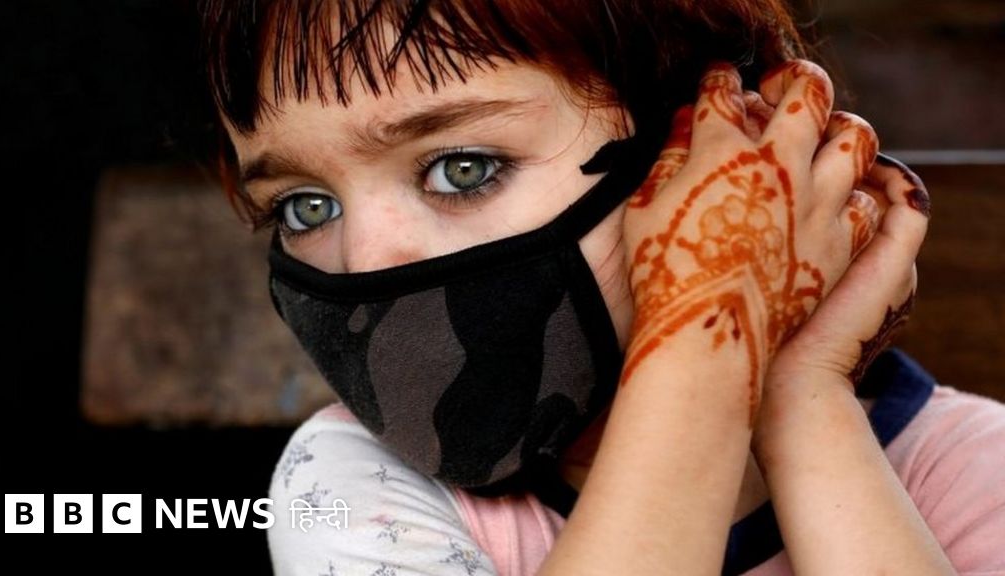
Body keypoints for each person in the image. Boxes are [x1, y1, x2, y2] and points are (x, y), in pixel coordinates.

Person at [198, 1, 1005, 573]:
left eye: (463, 168)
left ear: (730, 153)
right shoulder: (351, 484)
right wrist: (709, 347)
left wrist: (800, 394)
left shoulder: (968, 469)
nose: (367, 262)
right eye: (306, 207)